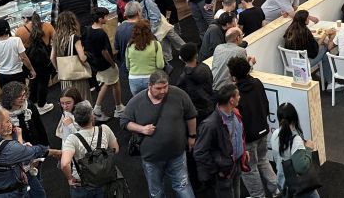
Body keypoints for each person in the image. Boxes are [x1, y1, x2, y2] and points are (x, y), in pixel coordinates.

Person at [121, 70, 198, 198]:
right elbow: (124, 122)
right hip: (152, 158)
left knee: (183, 186)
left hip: (177, 154)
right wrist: (142, 129)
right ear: (149, 86)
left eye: (165, 87)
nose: (163, 91)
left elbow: (191, 115)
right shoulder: (137, 101)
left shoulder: (179, 94)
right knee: (156, 192)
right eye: (158, 88)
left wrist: (192, 136)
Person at [0, 108, 62, 198]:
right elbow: (36, 151)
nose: (10, 124)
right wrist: (57, 152)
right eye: (7, 121)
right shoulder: (7, 148)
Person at [226, 58, 281, 198]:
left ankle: (258, 195)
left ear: (233, 76)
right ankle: (277, 189)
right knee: (263, 160)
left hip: (247, 138)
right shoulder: (257, 83)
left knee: (249, 168)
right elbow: (266, 104)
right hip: (263, 130)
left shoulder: (235, 94)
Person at [193, 83, 246, 198]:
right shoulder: (210, 125)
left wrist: (243, 150)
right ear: (231, 100)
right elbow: (200, 152)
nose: (240, 97)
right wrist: (217, 170)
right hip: (223, 172)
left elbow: (238, 135)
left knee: (236, 193)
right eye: (238, 95)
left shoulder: (235, 114)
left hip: (235, 164)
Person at [59, 101, 119, 197]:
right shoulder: (104, 129)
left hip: (83, 183)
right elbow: (115, 149)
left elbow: (64, 164)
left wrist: (70, 179)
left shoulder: (72, 139)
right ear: (92, 117)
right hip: (105, 178)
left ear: (76, 120)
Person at [271, 103, 321, 198]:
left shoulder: (275, 134)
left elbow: (277, 158)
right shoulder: (295, 140)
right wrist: (308, 148)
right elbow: (301, 168)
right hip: (299, 186)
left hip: (283, 182)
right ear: (295, 118)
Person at [84, 8, 123, 121]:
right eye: (106, 16)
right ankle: (100, 109)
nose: (107, 18)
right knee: (109, 83)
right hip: (105, 63)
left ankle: (118, 107)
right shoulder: (101, 33)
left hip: (96, 63)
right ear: (100, 18)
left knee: (112, 82)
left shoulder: (88, 30)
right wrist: (112, 63)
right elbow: (104, 51)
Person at [284, 10, 337, 91]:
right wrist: (325, 34)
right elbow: (314, 50)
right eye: (308, 18)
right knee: (325, 49)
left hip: (291, 61)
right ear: (304, 20)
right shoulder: (305, 33)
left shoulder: (290, 30)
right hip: (303, 62)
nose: (309, 19)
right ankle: (330, 80)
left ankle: (325, 76)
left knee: (324, 54)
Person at [15, 9, 55, 114]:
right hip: (45, 59)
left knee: (33, 81)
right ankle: (42, 104)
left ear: (25, 19)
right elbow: (56, 40)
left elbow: (18, 49)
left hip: (30, 61)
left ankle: (32, 103)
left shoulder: (20, 31)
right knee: (43, 81)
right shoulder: (47, 26)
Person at [0, 19, 36, 88]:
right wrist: (31, 69)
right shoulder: (16, 40)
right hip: (17, 75)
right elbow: (23, 58)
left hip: (3, 76)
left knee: (7, 94)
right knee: (20, 93)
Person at [126, 20, 164, 95]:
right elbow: (160, 65)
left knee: (138, 100)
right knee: (153, 99)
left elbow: (127, 66)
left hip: (134, 79)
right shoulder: (156, 44)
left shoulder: (129, 46)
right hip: (151, 78)